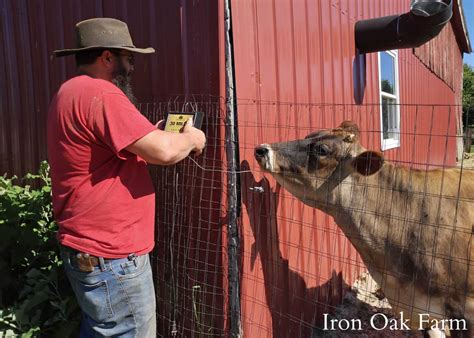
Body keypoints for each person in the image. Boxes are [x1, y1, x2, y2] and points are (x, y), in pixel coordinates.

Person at [47, 18, 206, 337]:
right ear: (107, 57)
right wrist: (191, 139)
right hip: (113, 255)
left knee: (102, 329)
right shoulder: (101, 94)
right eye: (129, 57)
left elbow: (119, 147)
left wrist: (155, 135)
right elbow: (162, 152)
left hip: (88, 250)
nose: (132, 66)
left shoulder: (69, 92)